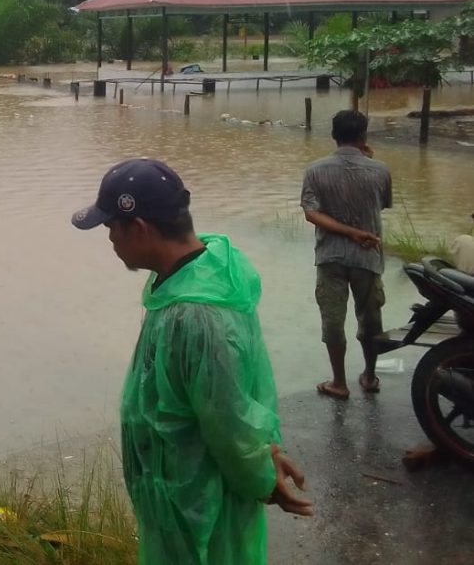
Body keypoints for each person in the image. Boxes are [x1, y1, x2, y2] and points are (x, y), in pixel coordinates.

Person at [72, 157, 311, 564]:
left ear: (140, 229)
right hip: (172, 495)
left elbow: (229, 419)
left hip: (199, 505)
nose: (109, 238)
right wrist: (266, 450)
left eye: (111, 227)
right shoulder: (186, 275)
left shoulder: (199, 315)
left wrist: (263, 477)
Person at [300, 109, 392, 400]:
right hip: (368, 257)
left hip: (331, 258)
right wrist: (356, 232)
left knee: (332, 320)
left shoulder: (315, 170)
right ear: (363, 136)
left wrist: (346, 232)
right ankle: (369, 374)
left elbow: (311, 214)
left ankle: (339, 382)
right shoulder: (380, 170)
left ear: (333, 136)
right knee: (371, 319)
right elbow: (383, 204)